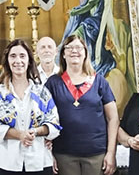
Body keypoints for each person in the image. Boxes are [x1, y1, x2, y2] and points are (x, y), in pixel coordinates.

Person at [45, 35, 118, 175]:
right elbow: (43, 118)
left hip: (96, 153)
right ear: (63, 54)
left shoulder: (99, 81)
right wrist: (49, 153)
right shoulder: (53, 83)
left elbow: (113, 118)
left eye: (78, 47)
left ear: (85, 53)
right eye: (69, 48)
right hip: (64, 154)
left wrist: (111, 153)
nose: (74, 51)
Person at [0, 39, 61, 175]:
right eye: (13, 56)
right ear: (7, 61)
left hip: (39, 161)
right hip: (7, 162)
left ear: (29, 61)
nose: (18, 61)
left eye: (22, 56)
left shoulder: (42, 92)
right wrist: (20, 135)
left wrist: (36, 132)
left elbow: (54, 124)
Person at [61, 0, 116, 76]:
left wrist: (74, 12)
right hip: (91, 20)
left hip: (95, 22)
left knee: (80, 31)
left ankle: (87, 58)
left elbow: (88, 7)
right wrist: (74, 11)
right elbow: (83, 6)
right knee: (79, 28)